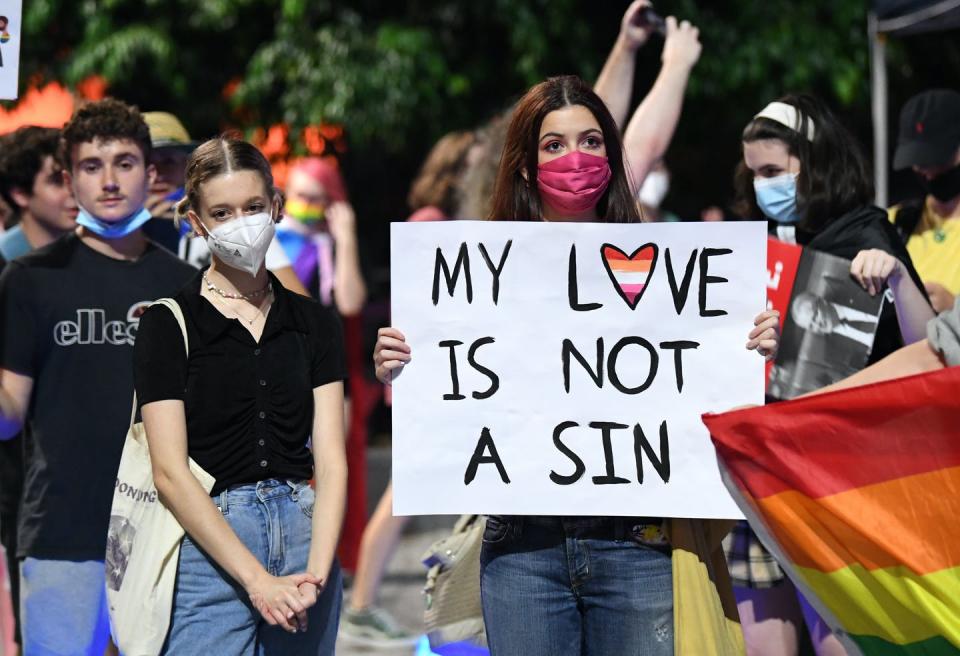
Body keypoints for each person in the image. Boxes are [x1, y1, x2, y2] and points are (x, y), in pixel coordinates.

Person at [374, 75, 779, 656]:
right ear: (524, 164)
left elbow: (701, 381)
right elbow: (452, 382)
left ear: (612, 159)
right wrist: (398, 363)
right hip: (522, 549)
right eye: (554, 144)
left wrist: (753, 342)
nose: (576, 157)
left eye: (591, 141)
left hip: (637, 543)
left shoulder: (667, 270)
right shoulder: (477, 272)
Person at [730, 93, 929, 656]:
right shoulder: (751, 247)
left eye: (774, 171)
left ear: (812, 163)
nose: (762, 185)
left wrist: (896, 281)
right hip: (763, 475)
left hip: (841, 483)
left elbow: (927, 347)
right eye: (754, 173)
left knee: (841, 645)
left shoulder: (866, 234)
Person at [132, 135, 346, 654]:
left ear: (276, 207)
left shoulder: (312, 322)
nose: (241, 223)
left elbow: (333, 460)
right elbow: (169, 472)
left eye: (253, 207)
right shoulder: (167, 323)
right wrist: (257, 581)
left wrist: (315, 574)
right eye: (222, 212)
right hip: (209, 547)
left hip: (304, 534)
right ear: (196, 221)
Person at [0, 98, 196, 655]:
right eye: (91, 166)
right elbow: (10, 415)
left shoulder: (186, 283)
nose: (109, 181)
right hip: (63, 531)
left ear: (150, 172)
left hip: (171, 534)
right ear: (69, 179)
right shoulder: (29, 279)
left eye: (125, 163)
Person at [340, 130, 478, 647]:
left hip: (445, 379)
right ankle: (361, 604)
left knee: (408, 494)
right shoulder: (431, 224)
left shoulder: (450, 222)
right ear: (455, 170)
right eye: (478, 163)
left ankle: (367, 603)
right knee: (403, 495)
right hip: (427, 379)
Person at [0, 124, 78, 652]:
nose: (76, 190)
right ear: (21, 194)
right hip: (24, 487)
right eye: (59, 180)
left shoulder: (96, 258)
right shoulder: (7, 268)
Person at [887, 89, 960, 313]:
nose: (925, 171)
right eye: (918, 162)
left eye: (935, 159)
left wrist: (955, 311)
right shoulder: (894, 221)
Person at [277, 158, 366, 314]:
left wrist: (346, 239)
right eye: (300, 195)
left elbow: (350, 305)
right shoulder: (273, 235)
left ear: (330, 201)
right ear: (288, 193)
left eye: (314, 198)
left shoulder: (335, 244)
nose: (305, 204)